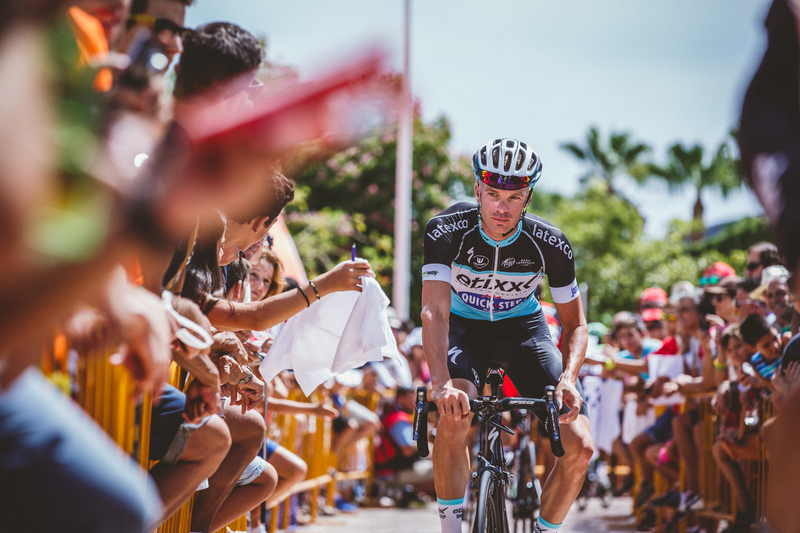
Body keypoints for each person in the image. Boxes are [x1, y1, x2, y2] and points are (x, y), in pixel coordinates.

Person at [421, 138, 593, 533]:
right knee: (453, 415)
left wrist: (568, 378)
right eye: (493, 193)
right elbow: (434, 311)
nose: (501, 207)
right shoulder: (446, 229)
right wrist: (441, 384)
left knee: (581, 447)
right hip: (464, 329)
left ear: (528, 196)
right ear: (478, 188)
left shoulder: (550, 242)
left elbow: (576, 324)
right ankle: (451, 530)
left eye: (513, 198)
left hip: (524, 333)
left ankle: (542, 531)